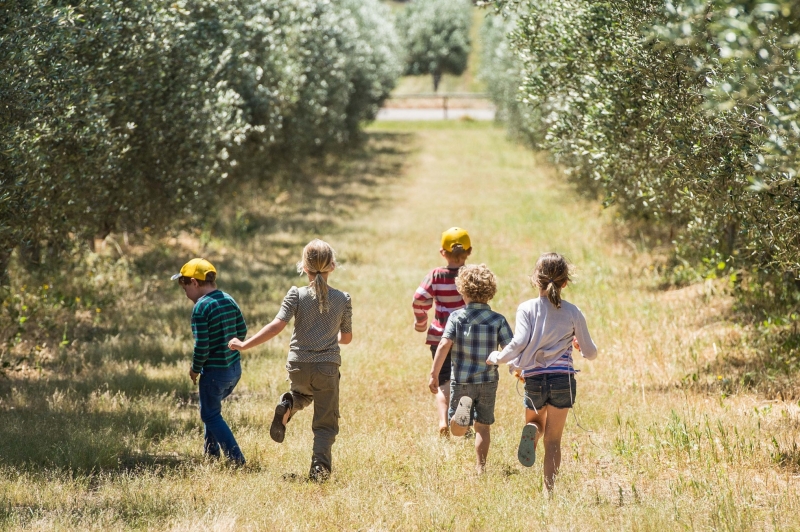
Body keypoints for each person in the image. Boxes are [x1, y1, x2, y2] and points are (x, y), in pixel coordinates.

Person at [229, 239, 352, 482]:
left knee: (304, 395)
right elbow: (346, 338)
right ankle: (319, 471)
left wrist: (245, 344)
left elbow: (276, 326)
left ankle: (288, 405)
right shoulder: (343, 298)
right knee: (325, 423)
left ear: (304, 267)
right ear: (332, 266)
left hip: (298, 366)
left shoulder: (296, 294)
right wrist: (329, 335)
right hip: (327, 367)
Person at [487, 252, 597, 491]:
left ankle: (533, 432)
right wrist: (578, 345)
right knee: (554, 440)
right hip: (562, 380)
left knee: (536, 422)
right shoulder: (573, 312)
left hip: (534, 378)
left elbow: (518, 343)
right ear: (565, 282)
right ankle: (549, 492)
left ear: (535, 280)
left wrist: (497, 357)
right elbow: (591, 352)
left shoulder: (526, 308)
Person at [429, 264, 513, 474]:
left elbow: (444, 345)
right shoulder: (497, 319)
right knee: (483, 426)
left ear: (462, 290)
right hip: (488, 381)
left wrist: (434, 373)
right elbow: (511, 349)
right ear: (491, 291)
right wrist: (517, 369)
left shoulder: (457, 317)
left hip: (462, 380)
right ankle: (480, 468)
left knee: (457, 429)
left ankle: (459, 418)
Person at [173, 258, 247, 466]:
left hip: (214, 372)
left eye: (184, 286)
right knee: (211, 410)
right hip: (234, 369)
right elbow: (242, 331)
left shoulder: (201, 307)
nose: (185, 293)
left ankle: (236, 459)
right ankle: (211, 453)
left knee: (210, 414)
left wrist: (195, 369)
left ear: (194, 283)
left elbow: (202, 346)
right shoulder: (228, 298)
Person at [413, 227, 472, 437]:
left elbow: (419, 298)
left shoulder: (436, 275)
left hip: (440, 337)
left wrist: (421, 321)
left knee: (443, 381)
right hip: (468, 338)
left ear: (443, 252)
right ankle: (464, 425)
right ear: (469, 251)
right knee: (465, 380)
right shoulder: (471, 275)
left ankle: (443, 421)